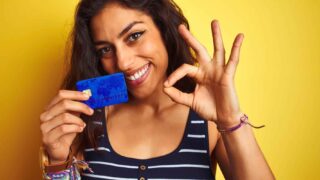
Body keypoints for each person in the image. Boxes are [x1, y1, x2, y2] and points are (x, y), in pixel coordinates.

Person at [39, 0, 275, 179]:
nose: (122, 62)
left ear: (164, 30)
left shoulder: (208, 121)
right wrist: (58, 162)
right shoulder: (86, 122)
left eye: (134, 36)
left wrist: (231, 119)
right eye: (105, 50)